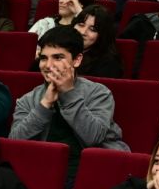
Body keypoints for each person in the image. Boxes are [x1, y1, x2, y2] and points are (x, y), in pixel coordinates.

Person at [10, 26, 128, 180]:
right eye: (44, 58)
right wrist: (45, 104)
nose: (48, 65)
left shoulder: (98, 93)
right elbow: (14, 143)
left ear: (77, 60)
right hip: (44, 170)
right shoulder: (28, 99)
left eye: (58, 57)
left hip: (91, 170)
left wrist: (68, 93)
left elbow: (93, 137)